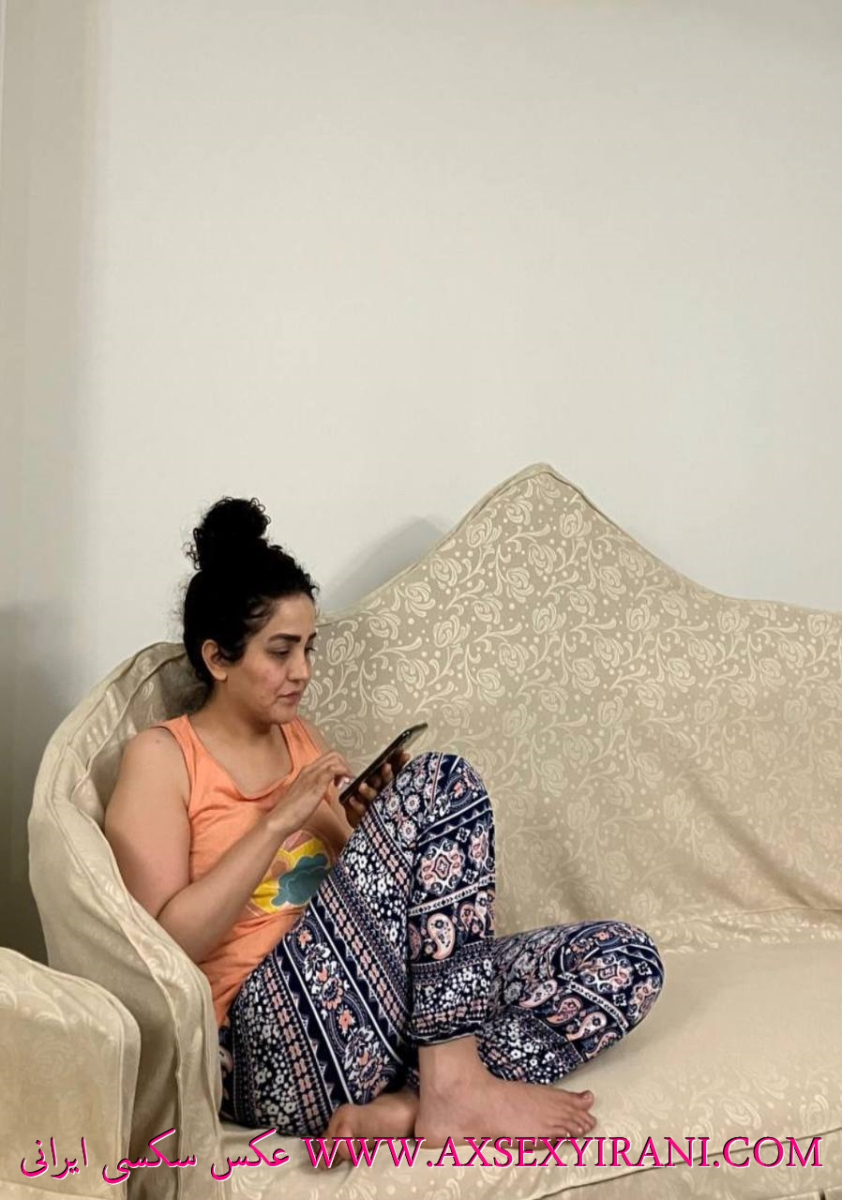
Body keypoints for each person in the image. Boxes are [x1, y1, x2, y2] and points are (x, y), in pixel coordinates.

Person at [104, 496, 665, 1168]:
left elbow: (354, 898)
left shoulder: (298, 738)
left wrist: (369, 829)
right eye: (281, 651)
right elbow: (161, 947)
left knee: (626, 958)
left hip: (381, 1020)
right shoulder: (162, 757)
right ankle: (453, 1087)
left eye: (308, 648)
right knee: (441, 780)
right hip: (267, 1046)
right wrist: (279, 819)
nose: (303, 671)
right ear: (218, 658)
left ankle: (408, 1106)